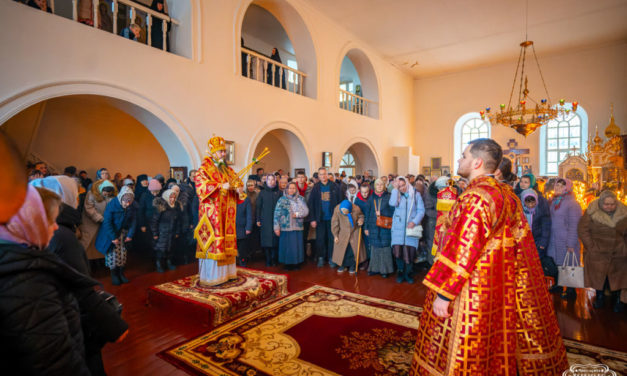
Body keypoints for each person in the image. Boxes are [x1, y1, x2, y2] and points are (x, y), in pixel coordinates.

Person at [410, 139, 568, 376]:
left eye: (463, 156)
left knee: (465, 341)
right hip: (500, 283)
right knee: (493, 336)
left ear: (477, 162)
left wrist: (444, 294)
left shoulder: (477, 198)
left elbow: (463, 250)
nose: (459, 160)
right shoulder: (506, 194)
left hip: (472, 287)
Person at [0, 186, 105, 374]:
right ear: (29, 223)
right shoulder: (29, 281)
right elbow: (53, 359)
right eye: (50, 221)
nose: (56, 227)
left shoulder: (24, 260)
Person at [32, 177, 129, 376]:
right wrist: (114, 325)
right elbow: (81, 287)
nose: (77, 199)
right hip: (68, 316)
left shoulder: (41, 229)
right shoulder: (62, 234)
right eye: (75, 195)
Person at [194, 136, 246, 286]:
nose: (224, 154)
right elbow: (200, 187)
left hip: (227, 214)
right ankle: (212, 277)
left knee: (227, 242)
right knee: (214, 242)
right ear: (213, 152)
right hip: (212, 215)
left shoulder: (228, 170)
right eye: (221, 151)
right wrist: (218, 187)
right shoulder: (203, 169)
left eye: (224, 151)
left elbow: (238, 185)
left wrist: (239, 189)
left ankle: (228, 274)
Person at [578, 190, 627, 312]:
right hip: (598, 251)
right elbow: (583, 230)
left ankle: (618, 300)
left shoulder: (624, 212)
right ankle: (599, 297)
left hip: (618, 252)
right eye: (606, 204)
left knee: (618, 277)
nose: (609, 206)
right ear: (600, 203)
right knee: (600, 276)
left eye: (612, 204)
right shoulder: (591, 212)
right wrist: (591, 247)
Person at [547, 178, 582, 300]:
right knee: (558, 263)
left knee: (569, 264)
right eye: (556, 186)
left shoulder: (573, 204)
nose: (558, 188)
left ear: (567, 188)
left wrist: (571, 243)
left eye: (561, 186)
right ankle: (559, 285)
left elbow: (574, 225)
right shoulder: (554, 201)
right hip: (554, 239)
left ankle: (571, 291)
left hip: (566, 240)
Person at [95, 186, 137, 285]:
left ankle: (121, 273)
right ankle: (114, 274)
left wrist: (130, 235)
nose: (127, 204)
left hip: (123, 233)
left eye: (129, 202)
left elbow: (134, 221)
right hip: (112, 234)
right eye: (125, 201)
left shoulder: (132, 206)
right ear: (121, 198)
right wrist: (113, 237)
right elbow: (107, 222)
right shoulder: (112, 205)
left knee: (123, 254)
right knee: (113, 255)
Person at [389, 176, 425, 284]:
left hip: (411, 228)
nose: (402, 188)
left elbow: (421, 210)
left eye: (403, 185)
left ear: (407, 183)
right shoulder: (396, 194)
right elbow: (392, 203)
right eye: (399, 186)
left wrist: (414, 221)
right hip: (398, 229)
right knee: (398, 252)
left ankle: (408, 273)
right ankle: (400, 272)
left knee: (410, 252)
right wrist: (395, 190)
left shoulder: (415, 194)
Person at [308, 167, 342, 268]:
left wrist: (339, 218)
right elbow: (311, 204)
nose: (323, 176)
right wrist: (312, 219)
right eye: (321, 174)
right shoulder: (316, 188)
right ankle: (321, 257)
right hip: (320, 219)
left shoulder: (335, 186)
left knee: (332, 239)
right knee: (320, 239)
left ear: (327, 175)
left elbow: (340, 201)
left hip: (332, 218)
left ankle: (332, 258)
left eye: (325, 174)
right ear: (318, 176)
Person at [80, 179, 117, 262]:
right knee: (89, 243)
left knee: (103, 242)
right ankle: (86, 261)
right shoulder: (91, 194)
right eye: (105, 193)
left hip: (105, 223)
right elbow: (89, 208)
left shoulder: (112, 195)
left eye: (109, 194)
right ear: (101, 189)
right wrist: (101, 219)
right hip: (91, 222)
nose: (107, 195)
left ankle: (101, 260)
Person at [274, 181, 309, 270]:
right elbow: (276, 214)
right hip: (285, 227)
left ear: (296, 189)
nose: (291, 190)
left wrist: (297, 214)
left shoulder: (300, 199)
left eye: (293, 188)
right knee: (286, 247)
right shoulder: (281, 199)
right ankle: (287, 264)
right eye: (290, 188)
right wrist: (276, 227)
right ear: (286, 189)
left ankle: (296, 263)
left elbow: (306, 211)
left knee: (296, 247)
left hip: (298, 226)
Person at [365, 178, 394, 278]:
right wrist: (366, 227)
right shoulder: (371, 198)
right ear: (374, 186)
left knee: (385, 247)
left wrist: (382, 214)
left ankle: (385, 270)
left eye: (381, 184)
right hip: (373, 225)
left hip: (385, 226)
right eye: (377, 184)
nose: (379, 186)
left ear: (384, 186)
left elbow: (393, 212)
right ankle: (374, 269)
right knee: (375, 248)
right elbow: (367, 213)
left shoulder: (389, 196)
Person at [331, 199, 366, 274]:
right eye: (343, 211)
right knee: (342, 250)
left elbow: (361, 216)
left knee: (353, 250)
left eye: (346, 212)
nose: (344, 213)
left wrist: (361, 220)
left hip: (354, 231)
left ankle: (352, 265)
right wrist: (336, 235)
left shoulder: (356, 208)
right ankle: (342, 265)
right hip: (342, 232)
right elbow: (335, 223)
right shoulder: (337, 209)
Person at [151, 189, 181, 272]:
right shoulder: (161, 207)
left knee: (170, 248)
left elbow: (178, 221)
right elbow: (154, 221)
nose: (172, 199)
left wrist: (177, 232)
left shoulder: (176, 207)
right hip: (162, 232)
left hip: (172, 232)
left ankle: (169, 262)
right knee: (161, 249)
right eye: (171, 197)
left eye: (174, 197)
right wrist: (155, 233)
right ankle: (159, 264)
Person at [256, 174, 281, 266]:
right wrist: (258, 219)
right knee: (266, 241)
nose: (271, 181)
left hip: (276, 220)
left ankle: (274, 260)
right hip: (265, 219)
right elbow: (258, 207)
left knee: (275, 240)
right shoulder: (262, 193)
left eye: (272, 180)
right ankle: (268, 259)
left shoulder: (279, 192)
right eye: (269, 180)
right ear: (266, 181)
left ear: (275, 181)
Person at [521, 189, 551, 258]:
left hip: (537, 241)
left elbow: (546, 227)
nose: (530, 205)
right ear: (523, 202)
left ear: (536, 201)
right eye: (528, 203)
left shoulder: (541, 211)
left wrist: (543, 242)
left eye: (533, 203)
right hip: (524, 241)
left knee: (537, 260)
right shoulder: (520, 211)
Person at [235, 189, 253, 267]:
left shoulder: (246, 199)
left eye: (240, 187)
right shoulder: (230, 198)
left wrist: (248, 227)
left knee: (242, 247)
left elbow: (249, 214)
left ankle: (242, 261)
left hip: (242, 227)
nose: (238, 189)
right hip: (231, 227)